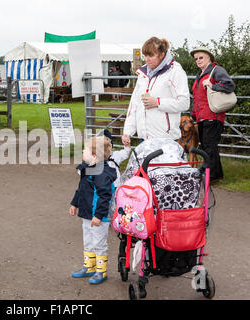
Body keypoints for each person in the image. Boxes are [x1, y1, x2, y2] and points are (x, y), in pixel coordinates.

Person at [122, 37, 190, 145]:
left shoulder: (175, 71)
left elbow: (184, 103)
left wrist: (158, 102)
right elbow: (134, 104)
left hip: (166, 139)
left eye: (151, 56)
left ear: (162, 55)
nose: (146, 59)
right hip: (144, 139)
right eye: (145, 55)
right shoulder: (143, 74)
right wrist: (128, 131)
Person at [69, 135, 117, 284]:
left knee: (99, 243)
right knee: (88, 240)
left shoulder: (102, 174)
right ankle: (89, 266)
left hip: (98, 217)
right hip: (87, 213)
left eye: (86, 150)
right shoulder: (88, 170)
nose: (83, 151)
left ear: (95, 156)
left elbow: (105, 197)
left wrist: (98, 215)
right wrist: (74, 203)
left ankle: (101, 271)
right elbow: (81, 189)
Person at [190, 46, 235, 182]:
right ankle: (215, 174)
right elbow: (198, 98)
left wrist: (212, 85)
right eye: (196, 58)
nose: (198, 60)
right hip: (202, 117)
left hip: (213, 116)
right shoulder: (199, 75)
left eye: (201, 57)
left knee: (209, 146)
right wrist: (193, 115)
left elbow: (230, 86)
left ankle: (212, 176)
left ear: (209, 57)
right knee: (207, 146)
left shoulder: (216, 71)